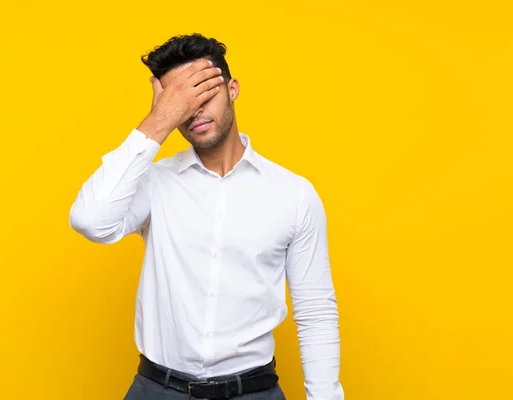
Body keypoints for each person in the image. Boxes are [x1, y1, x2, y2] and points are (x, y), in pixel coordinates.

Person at [69, 33, 344, 400]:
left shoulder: (293, 194)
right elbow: (90, 219)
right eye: (180, 100)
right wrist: (158, 121)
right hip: (158, 390)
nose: (193, 109)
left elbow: (316, 312)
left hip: (254, 392)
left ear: (232, 89)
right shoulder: (154, 183)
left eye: (203, 92)